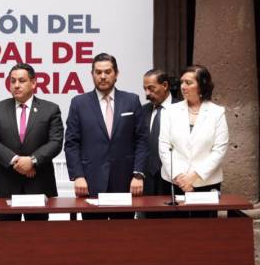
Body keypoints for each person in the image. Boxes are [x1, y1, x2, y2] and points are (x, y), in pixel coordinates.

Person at [64, 53, 148, 220]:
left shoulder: (131, 100)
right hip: (90, 181)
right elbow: (71, 143)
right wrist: (78, 176)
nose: (103, 76)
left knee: (123, 231)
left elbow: (141, 140)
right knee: (93, 233)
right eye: (98, 72)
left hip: (126, 181)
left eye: (108, 72)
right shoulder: (79, 103)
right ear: (92, 74)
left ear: (116, 74)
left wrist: (138, 174)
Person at [0, 64, 64, 221]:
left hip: (38, 183)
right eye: (12, 81)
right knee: (6, 234)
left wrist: (32, 161)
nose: (16, 85)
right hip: (6, 184)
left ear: (33, 83)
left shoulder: (50, 109)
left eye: (21, 81)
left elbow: (55, 142)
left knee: (37, 234)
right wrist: (17, 161)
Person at [159, 65, 227, 217]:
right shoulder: (170, 111)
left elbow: (219, 150)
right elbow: (164, 147)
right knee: (174, 227)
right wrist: (179, 177)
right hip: (174, 181)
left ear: (202, 85)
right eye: (182, 82)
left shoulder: (217, 113)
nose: (183, 86)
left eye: (188, 83)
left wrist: (193, 176)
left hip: (206, 181)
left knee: (203, 228)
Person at [141, 69, 179, 202]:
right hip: (147, 179)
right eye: (145, 89)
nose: (147, 93)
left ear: (165, 85)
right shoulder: (142, 111)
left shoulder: (181, 109)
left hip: (174, 178)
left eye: (151, 88)